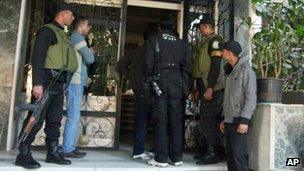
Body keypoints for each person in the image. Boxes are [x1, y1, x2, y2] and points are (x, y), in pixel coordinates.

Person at [15, 2, 76, 169]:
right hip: (47, 82)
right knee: (36, 118)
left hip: (58, 84)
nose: (73, 17)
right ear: (63, 14)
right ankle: (23, 153)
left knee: (54, 120)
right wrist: (37, 83)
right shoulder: (47, 31)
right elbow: (38, 58)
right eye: (71, 14)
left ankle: (53, 152)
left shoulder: (62, 33)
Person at [145, 18, 191, 167]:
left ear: (160, 28)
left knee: (161, 120)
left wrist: (150, 78)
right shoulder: (182, 43)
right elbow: (187, 67)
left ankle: (161, 158)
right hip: (176, 84)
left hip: (160, 83)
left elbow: (148, 63)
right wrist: (183, 85)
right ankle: (176, 157)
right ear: (172, 28)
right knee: (176, 121)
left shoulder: (154, 39)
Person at [116, 25, 157, 160]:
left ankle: (139, 149)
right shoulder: (154, 51)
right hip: (151, 89)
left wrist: (130, 77)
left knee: (140, 119)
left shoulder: (135, 51)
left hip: (138, 88)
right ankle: (142, 150)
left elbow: (120, 65)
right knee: (154, 120)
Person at [192, 14, 225, 165]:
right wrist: (198, 88)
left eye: (200, 27)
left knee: (209, 120)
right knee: (205, 119)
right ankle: (208, 150)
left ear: (206, 26)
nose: (199, 30)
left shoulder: (215, 41)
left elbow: (216, 66)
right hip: (205, 87)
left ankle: (212, 153)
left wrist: (210, 87)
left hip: (213, 88)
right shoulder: (206, 41)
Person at [219, 40, 257, 171]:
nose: (221, 53)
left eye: (223, 51)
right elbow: (229, 97)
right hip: (229, 121)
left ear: (229, 53)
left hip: (239, 121)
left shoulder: (246, 70)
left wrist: (245, 120)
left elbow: (251, 97)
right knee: (230, 156)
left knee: (238, 157)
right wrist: (224, 119)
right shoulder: (229, 70)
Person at [61, 16, 94, 158]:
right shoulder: (78, 38)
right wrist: (90, 51)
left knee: (73, 116)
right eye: (88, 25)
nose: (89, 28)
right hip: (75, 81)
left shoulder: (73, 37)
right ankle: (67, 149)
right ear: (82, 25)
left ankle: (70, 147)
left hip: (75, 80)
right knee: (73, 117)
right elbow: (90, 59)